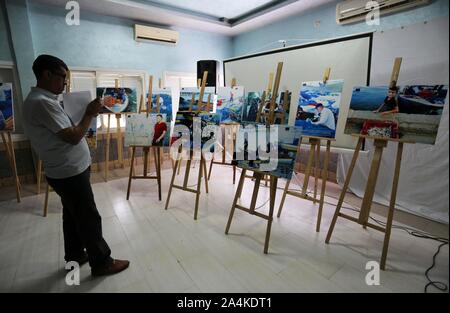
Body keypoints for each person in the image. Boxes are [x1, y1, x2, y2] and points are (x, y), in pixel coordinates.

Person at [22, 55, 129, 277]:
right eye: (62, 77)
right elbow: (73, 137)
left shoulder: (45, 100)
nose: (65, 83)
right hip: (68, 172)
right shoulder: (41, 103)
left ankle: (75, 254)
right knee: (89, 217)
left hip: (67, 170)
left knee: (72, 215)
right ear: (46, 74)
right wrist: (89, 113)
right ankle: (102, 263)